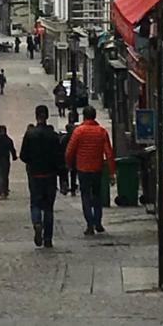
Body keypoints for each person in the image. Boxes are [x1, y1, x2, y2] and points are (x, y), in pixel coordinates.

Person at [65, 105, 116, 236]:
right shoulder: (101, 131)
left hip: (82, 169)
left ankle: (89, 224)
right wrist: (111, 172)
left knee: (86, 196)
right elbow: (109, 153)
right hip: (97, 168)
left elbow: (70, 150)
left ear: (84, 116)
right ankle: (98, 222)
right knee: (97, 196)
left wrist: (69, 164)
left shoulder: (78, 131)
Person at [19, 104, 64, 248]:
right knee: (49, 207)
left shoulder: (30, 134)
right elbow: (59, 158)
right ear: (47, 116)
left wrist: (32, 162)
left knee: (35, 203)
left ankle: (37, 223)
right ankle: (48, 238)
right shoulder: (53, 135)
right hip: (50, 175)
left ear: (36, 116)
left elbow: (23, 156)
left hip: (35, 174)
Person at [59, 117, 77, 197]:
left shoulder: (64, 138)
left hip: (65, 158)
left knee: (65, 173)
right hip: (73, 159)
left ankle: (66, 186)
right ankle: (72, 188)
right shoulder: (74, 138)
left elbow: (61, 149)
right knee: (73, 174)